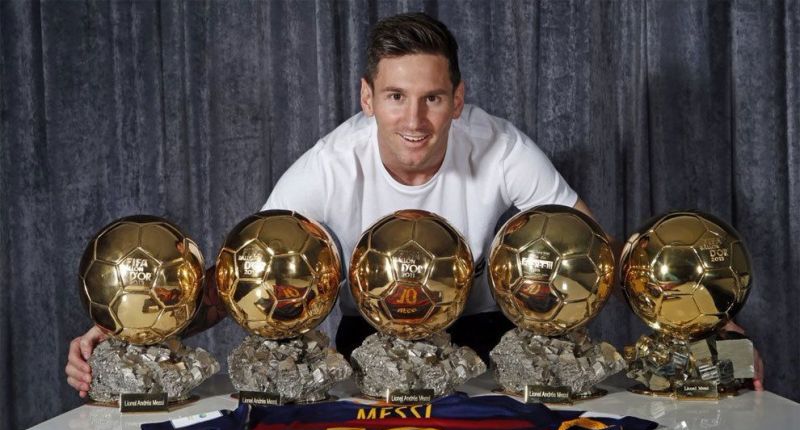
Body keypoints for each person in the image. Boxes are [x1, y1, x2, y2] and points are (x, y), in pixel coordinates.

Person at [66, 12, 763, 397]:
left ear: (459, 100)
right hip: (367, 346)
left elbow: (597, 257)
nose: (415, 120)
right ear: (366, 99)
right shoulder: (329, 165)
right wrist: (132, 333)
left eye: (433, 98)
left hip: (489, 337)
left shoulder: (499, 145)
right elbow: (237, 286)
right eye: (396, 97)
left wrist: (696, 329)